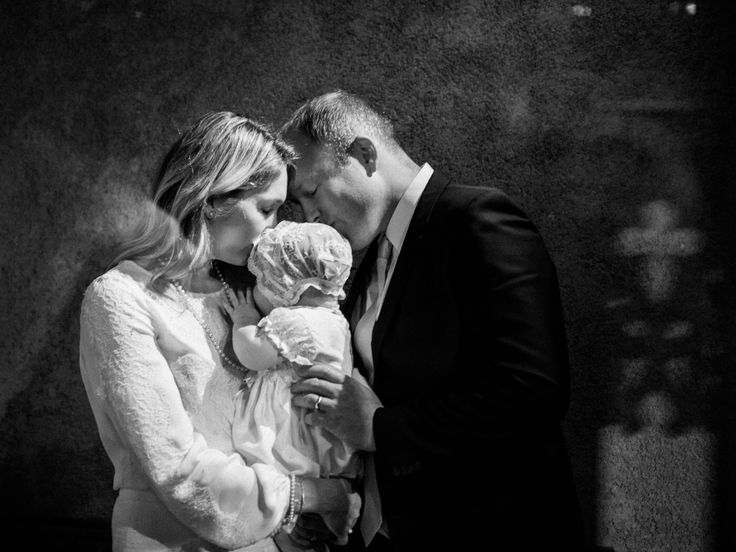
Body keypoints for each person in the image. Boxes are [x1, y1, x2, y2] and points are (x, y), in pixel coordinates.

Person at [280, 91, 587, 551]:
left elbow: (533, 388)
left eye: (310, 192)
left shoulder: (477, 221)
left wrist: (382, 428)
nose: (310, 217)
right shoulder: (367, 264)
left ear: (364, 154)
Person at [79, 111, 360, 552]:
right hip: (167, 539)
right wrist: (307, 496)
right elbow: (175, 465)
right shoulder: (120, 297)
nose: (275, 228)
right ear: (210, 199)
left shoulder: (247, 294)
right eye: (266, 208)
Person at [222, 220, 361, 552]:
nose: (256, 290)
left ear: (289, 286)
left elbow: (252, 354)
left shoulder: (295, 320)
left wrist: (243, 321)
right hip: (320, 442)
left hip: (293, 437)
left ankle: (291, 525)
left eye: (261, 281)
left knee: (279, 471)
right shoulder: (335, 322)